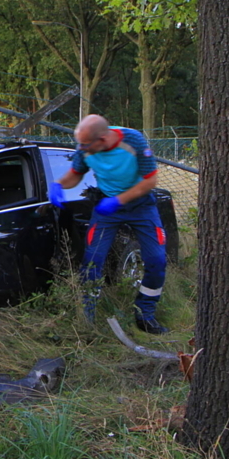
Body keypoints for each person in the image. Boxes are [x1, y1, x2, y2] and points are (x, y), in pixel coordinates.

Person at [48, 115, 168, 333]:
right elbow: (75, 173)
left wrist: (119, 200)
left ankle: (145, 315)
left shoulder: (134, 142)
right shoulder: (85, 148)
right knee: (92, 262)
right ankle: (87, 318)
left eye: (85, 144)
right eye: (80, 144)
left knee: (157, 261)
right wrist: (58, 185)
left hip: (141, 206)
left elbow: (150, 180)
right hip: (106, 209)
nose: (81, 149)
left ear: (103, 139)